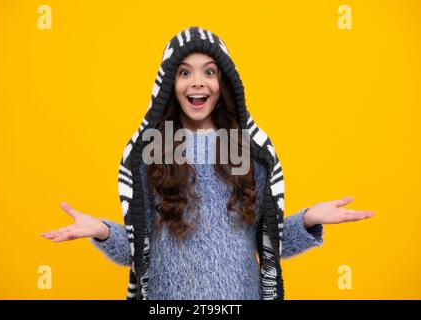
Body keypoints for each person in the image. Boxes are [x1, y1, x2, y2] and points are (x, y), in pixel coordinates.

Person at [41, 26, 374, 300]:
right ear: (169, 84)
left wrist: (307, 220)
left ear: (224, 83)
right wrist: (101, 231)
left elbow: (269, 243)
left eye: (209, 72)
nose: (197, 81)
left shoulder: (250, 152)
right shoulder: (149, 155)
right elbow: (137, 250)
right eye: (185, 72)